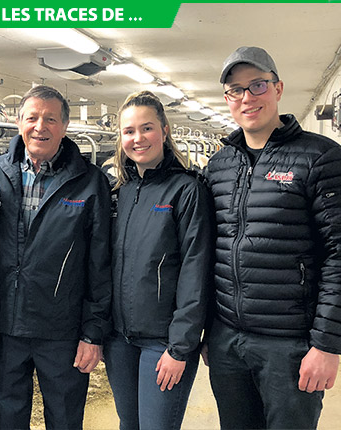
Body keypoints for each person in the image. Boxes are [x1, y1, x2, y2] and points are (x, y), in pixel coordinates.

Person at [204, 46, 341, 429]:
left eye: (257, 85)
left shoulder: (322, 157)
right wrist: (211, 328)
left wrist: (327, 345)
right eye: (236, 90)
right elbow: (212, 251)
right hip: (228, 339)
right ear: (227, 99)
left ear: (278, 88)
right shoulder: (219, 165)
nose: (247, 97)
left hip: (290, 344)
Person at [0, 85, 112, 429]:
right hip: (5, 326)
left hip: (62, 329)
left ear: (65, 126)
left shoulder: (89, 182)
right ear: (18, 122)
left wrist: (93, 333)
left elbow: (99, 263)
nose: (40, 126)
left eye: (51, 119)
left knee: (64, 417)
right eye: (32, 117)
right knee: (6, 418)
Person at [105, 91, 214, 430]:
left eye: (147, 128)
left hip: (162, 342)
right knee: (128, 423)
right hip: (118, 340)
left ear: (165, 131)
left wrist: (180, 347)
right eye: (128, 131)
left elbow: (196, 270)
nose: (137, 138)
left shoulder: (186, 190)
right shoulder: (118, 193)